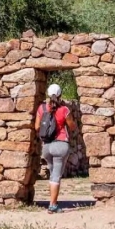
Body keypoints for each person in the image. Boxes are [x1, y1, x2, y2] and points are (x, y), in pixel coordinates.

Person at [34, 83, 76, 214]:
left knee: (52, 174)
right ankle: (52, 205)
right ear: (60, 95)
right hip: (61, 144)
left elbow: (36, 127)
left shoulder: (41, 109)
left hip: (47, 146)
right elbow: (72, 126)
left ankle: (53, 201)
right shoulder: (64, 110)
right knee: (56, 176)